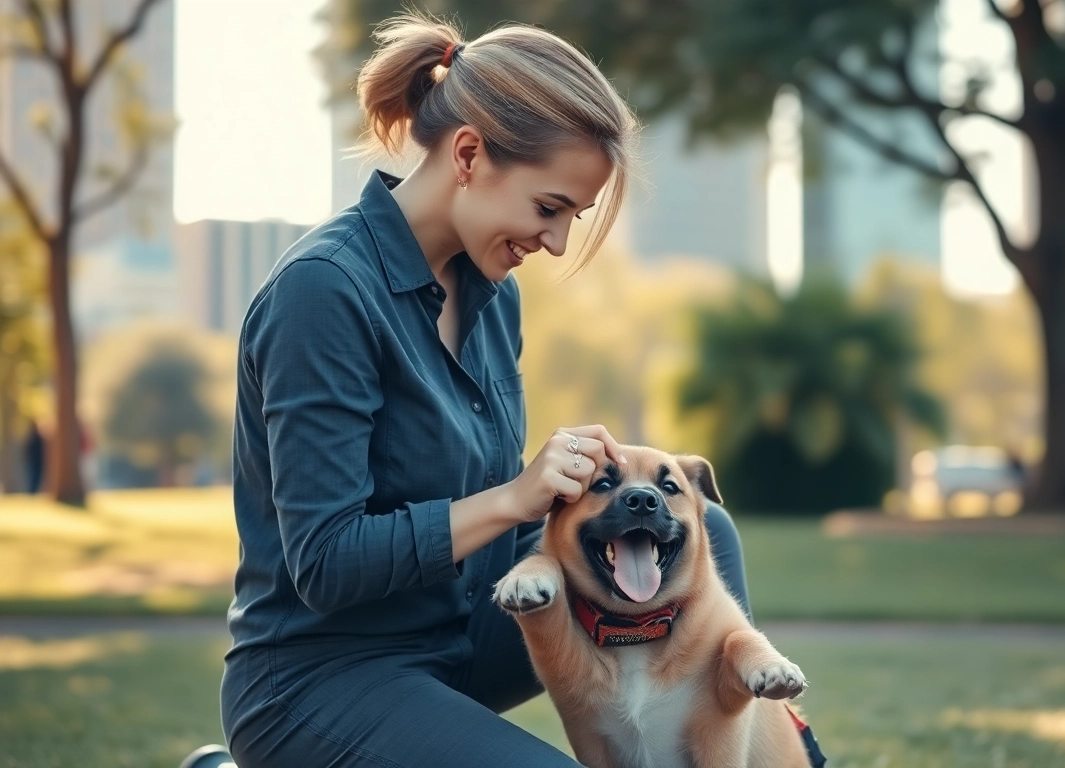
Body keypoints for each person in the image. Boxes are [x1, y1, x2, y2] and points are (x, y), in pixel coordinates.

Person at [217, 14, 755, 768]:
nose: (560, 242)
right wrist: (514, 497)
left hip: (460, 638)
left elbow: (484, 513)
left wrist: (569, 483)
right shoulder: (324, 293)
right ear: (468, 153)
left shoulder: (492, 294)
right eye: (549, 209)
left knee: (701, 532)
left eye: (574, 216)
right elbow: (326, 562)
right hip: (319, 680)